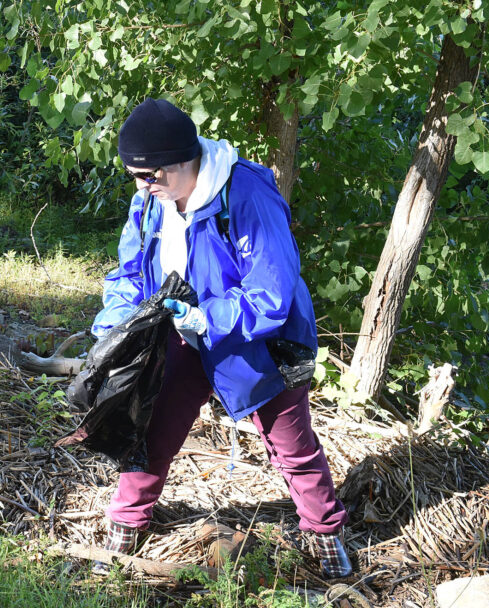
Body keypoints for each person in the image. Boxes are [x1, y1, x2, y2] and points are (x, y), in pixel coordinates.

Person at [92, 98, 352, 578]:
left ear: (185, 161)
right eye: (134, 176)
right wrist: (114, 322)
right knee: (149, 430)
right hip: (180, 335)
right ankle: (125, 529)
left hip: (259, 342)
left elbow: (272, 292)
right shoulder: (150, 200)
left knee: (292, 446)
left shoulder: (246, 193)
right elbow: (130, 272)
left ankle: (325, 538)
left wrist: (205, 317)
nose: (142, 187)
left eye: (151, 176)